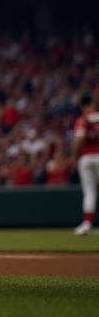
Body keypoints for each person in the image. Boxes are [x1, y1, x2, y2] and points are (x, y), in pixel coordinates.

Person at [72, 93, 99, 235]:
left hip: (87, 157)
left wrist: (75, 157)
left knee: (89, 192)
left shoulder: (83, 119)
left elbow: (79, 140)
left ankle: (87, 223)